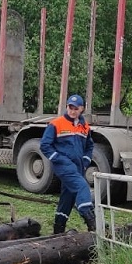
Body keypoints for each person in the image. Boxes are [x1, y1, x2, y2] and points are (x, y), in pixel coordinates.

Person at [40, 94, 96, 234]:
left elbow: (89, 146)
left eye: (75, 108)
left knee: (68, 196)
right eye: (70, 107)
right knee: (82, 185)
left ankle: (58, 228)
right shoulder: (56, 124)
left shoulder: (85, 127)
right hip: (64, 165)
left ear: (81, 109)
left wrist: (86, 160)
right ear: (66, 107)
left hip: (78, 166)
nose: (72, 111)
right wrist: (59, 159)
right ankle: (91, 221)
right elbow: (45, 145)